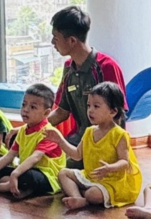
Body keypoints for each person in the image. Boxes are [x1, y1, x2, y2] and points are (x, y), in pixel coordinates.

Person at [0, 83, 65, 198]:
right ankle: (20, 189)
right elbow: (10, 155)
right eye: (24, 104)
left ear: (46, 113)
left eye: (33, 107)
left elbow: (35, 157)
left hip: (48, 177)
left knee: (27, 177)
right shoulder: (22, 131)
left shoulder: (49, 133)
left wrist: (15, 174)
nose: (25, 110)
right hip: (25, 170)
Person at [61, 81, 143, 210]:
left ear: (113, 111)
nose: (90, 110)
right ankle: (78, 198)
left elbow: (125, 162)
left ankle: (85, 196)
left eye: (96, 106)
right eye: (89, 105)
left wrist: (110, 168)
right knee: (63, 174)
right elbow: (77, 155)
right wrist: (59, 140)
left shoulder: (119, 134)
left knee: (93, 194)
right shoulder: (89, 131)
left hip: (113, 182)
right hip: (91, 177)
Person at [45, 6, 124, 138]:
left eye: (56, 37)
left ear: (72, 41)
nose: (52, 42)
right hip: (79, 138)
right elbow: (61, 112)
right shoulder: (68, 68)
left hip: (103, 142)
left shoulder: (106, 67)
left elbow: (118, 116)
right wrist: (28, 129)